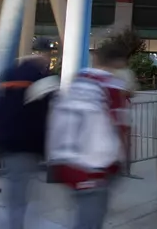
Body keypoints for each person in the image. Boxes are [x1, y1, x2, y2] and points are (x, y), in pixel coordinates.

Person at [49, 42, 132, 229]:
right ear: (118, 63)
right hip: (94, 167)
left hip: (67, 161)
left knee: (80, 216)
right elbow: (120, 129)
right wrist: (122, 160)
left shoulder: (78, 81)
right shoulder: (111, 87)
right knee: (89, 221)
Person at [0, 55, 58, 228]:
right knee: (23, 190)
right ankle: (15, 224)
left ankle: (14, 221)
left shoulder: (8, 76)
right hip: (28, 144)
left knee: (16, 187)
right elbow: (44, 114)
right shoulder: (40, 80)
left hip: (8, 141)